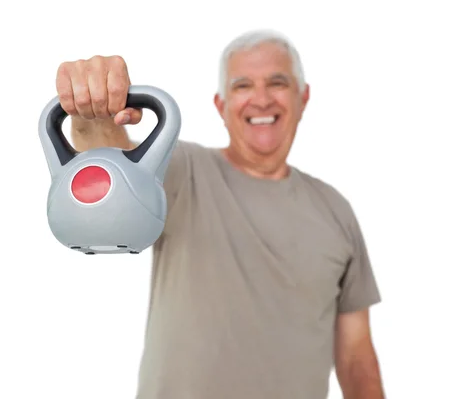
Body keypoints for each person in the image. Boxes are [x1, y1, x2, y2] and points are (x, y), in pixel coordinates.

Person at [55, 29, 385, 399]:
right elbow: (109, 160)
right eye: (243, 86)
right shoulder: (181, 170)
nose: (261, 99)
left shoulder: (336, 210)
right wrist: (90, 111)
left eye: (277, 82)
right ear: (220, 105)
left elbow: (357, 356)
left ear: (303, 97)